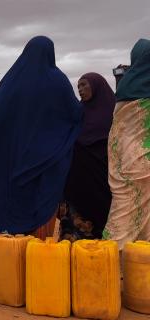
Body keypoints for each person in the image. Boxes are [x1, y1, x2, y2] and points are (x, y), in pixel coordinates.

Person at [0, 36, 82, 238]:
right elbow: (74, 115)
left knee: (5, 232)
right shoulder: (57, 81)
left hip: (9, 168)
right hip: (41, 165)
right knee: (37, 220)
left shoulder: (10, 83)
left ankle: (3, 256)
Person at [103, 39, 150, 248]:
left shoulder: (125, 87)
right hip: (144, 161)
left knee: (124, 210)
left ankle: (115, 263)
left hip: (124, 161)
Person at [60, 73, 115, 242]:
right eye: (78, 87)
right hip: (76, 185)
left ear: (97, 86)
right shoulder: (77, 114)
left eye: (84, 85)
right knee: (73, 236)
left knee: (101, 235)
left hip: (103, 183)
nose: (81, 90)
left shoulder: (114, 113)